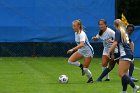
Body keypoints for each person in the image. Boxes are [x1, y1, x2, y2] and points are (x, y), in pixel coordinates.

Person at [108, 19, 139, 93]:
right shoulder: (124, 32)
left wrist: (109, 51)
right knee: (124, 74)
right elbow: (124, 43)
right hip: (128, 53)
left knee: (121, 73)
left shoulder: (118, 31)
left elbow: (115, 43)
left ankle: (134, 86)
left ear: (115, 25)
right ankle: (124, 91)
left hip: (125, 54)